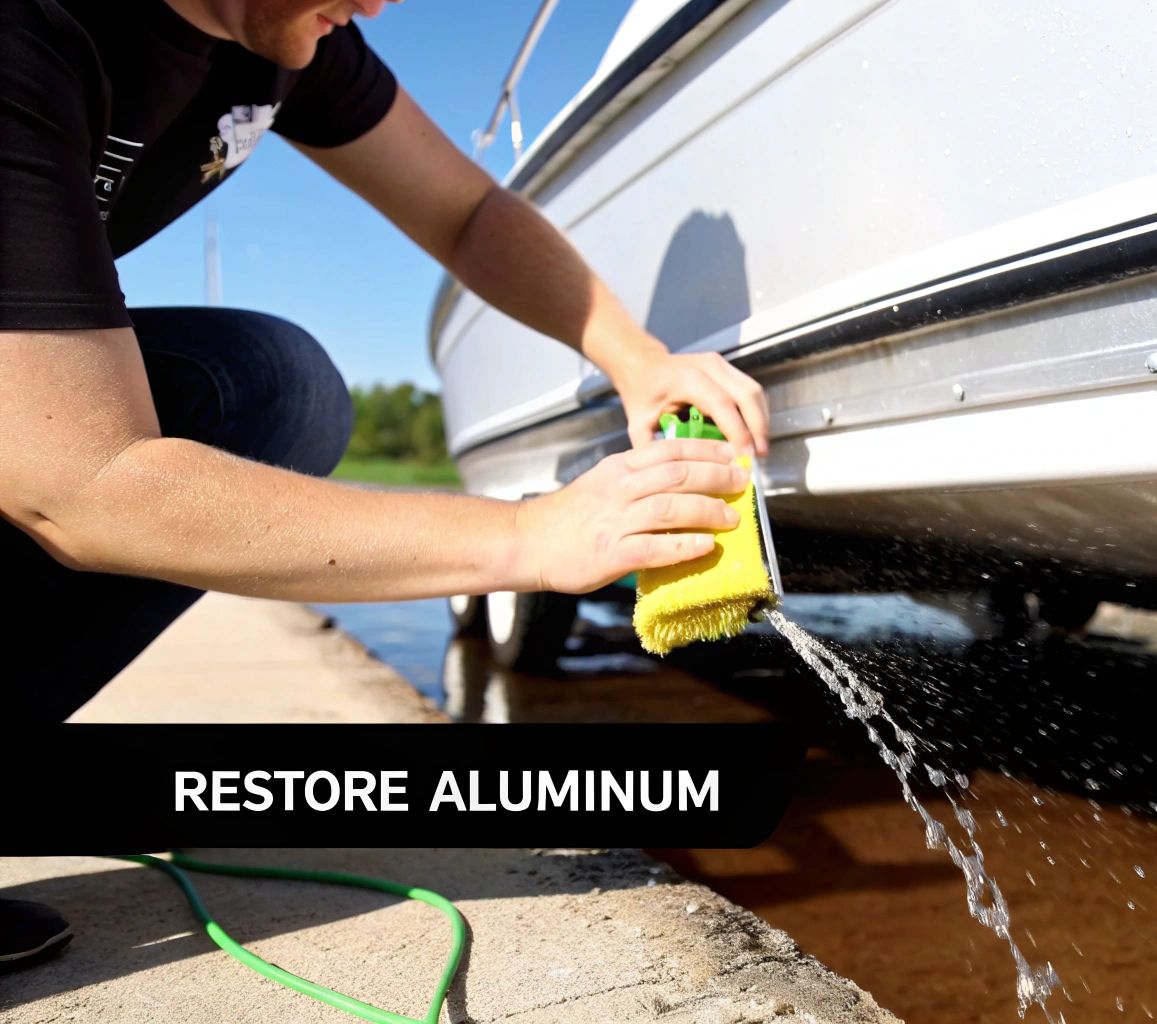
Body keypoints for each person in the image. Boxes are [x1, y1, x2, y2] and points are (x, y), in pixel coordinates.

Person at [0, 0, 770, 969]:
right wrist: (532, 539)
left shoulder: (285, 35)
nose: (379, 3)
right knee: (258, 389)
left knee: (274, 386)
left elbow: (468, 211)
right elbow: (80, 481)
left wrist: (637, 357)